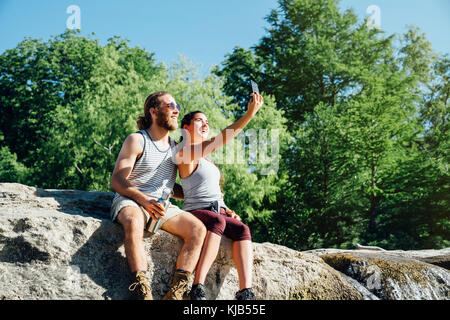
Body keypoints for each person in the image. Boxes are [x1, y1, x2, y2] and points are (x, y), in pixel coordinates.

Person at [110, 91, 207, 300]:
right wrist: (143, 200)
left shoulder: (175, 148)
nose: (177, 110)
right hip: (132, 200)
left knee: (198, 229)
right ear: (154, 112)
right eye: (170, 106)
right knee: (134, 220)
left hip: (162, 206)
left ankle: (175, 293)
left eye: (177, 105)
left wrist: (213, 201)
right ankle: (142, 289)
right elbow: (117, 180)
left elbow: (177, 186)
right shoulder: (137, 139)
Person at [175, 92, 263, 300]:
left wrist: (226, 209)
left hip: (217, 211)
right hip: (197, 213)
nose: (205, 124)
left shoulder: (207, 160)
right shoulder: (184, 153)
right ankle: (197, 286)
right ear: (185, 128)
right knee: (216, 221)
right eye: (199, 121)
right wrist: (249, 114)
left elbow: (205, 190)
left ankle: (245, 292)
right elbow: (220, 139)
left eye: (207, 122)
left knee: (242, 229)